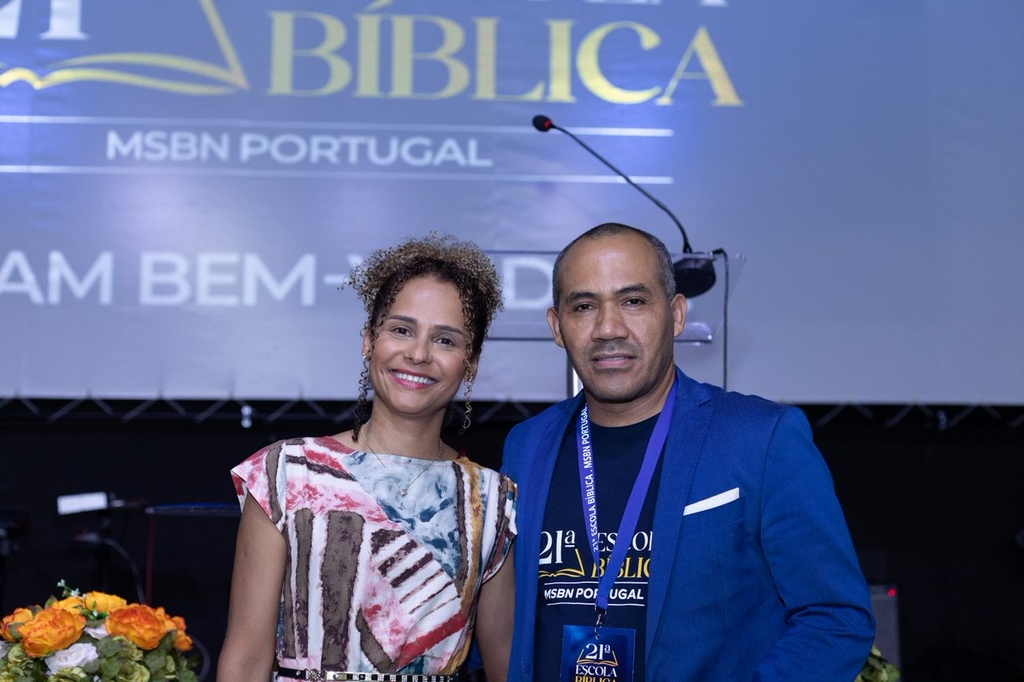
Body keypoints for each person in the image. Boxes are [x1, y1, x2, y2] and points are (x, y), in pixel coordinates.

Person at [501, 223, 875, 681]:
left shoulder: (760, 439)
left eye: (633, 301)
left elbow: (835, 618)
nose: (608, 328)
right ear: (557, 326)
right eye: (584, 306)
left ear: (676, 315)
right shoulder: (526, 445)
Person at [218, 234, 517, 682]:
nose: (418, 354)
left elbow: (507, 667)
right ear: (368, 340)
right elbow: (244, 660)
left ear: (470, 363)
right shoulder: (286, 473)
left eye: (445, 340)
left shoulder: (491, 500)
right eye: (401, 330)